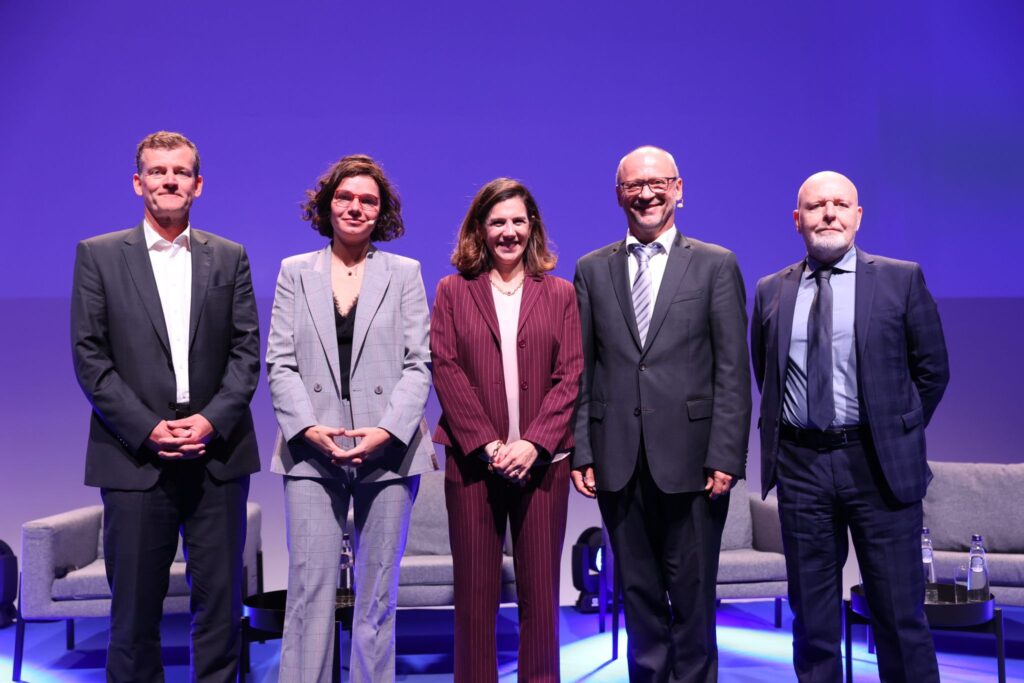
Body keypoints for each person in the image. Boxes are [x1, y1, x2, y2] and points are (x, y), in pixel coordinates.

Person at [70, 131, 260, 682]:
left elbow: (247, 352)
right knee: (132, 617)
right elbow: (90, 358)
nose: (169, 180)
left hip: (217, 456)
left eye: (180, 172)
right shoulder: (98, 256)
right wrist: (150, 427)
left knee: (221, 614)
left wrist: (210, 419)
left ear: (198, 185)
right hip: (133, 460)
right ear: (138, 183)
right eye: (157, 171)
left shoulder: (230, 256)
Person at [750, 171, 950, 682]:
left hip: (877, 465)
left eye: (841, 204)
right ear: (798, 220)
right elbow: (766, 373)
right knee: (814, 621)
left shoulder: (901, 279)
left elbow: (932, 371)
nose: (829, 214)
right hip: (802, 466)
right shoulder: (772, 290)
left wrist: (893, 432)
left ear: (858, 217)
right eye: (817, 206)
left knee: (899, 616)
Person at [572, 146, 751, 682]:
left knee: (694, 602)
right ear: (618, 195)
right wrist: (583, 449)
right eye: (633, 186)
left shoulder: (716, 263)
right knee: (639, 597)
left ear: (678, 189)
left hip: (695, 465)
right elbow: (585, 368)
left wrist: (726, 454)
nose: (646, 194)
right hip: (618, 460)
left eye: (657, 183)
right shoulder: (591, 269)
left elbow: (732, 371)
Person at [266, 154, 436, 682]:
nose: (355, 207)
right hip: (311, 450)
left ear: (381, 211)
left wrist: (386, 430)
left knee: (377, 594)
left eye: (368, 199)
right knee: (308, 592)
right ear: (327, 203)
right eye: (346, 197)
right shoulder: (295, 271)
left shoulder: (404, 273)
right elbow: (280, 360)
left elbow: (419, 362)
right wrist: (307, 428)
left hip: (388, 451)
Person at [431, 178, 582, 682]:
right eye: (497, 222)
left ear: (532, 226)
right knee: (475, 599)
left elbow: (571, 374)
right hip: (474, 465)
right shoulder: (453, 291)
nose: (509, 231)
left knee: (541, 597)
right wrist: (491, 445)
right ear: (480, 229)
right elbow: (445, 367)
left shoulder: (560, 293)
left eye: (518, 221)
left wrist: (534, 443)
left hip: (544, 467)